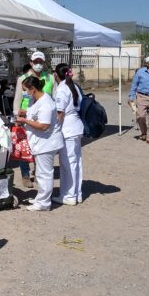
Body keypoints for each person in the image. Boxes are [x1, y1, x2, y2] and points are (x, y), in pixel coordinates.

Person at [16, 76, 64, 211]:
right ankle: (40, 198)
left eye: (25, 90)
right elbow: (35, 114)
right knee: (41, 174)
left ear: (33, 89)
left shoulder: (46, 103)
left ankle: (44, 203)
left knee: (44, 174)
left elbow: (44, 125)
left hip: (47, 143)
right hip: (39, 142)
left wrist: (25, 121)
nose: (24, 92)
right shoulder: (35, 99)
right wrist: (25, 113)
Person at [13, 52, 55, 188]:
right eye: (35, 61)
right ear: (31, 62)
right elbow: (18, 99)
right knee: (24, 146)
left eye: (41, 62)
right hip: (25, 116)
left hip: (42, 117)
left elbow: (54, 97)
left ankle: (38, 172)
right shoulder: (23, 79)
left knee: (41, 145)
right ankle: (25, 175)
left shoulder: (50, 78)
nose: (38, 64)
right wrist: (16, 116)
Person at [53, 63, 83, 205]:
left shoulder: (62, 89)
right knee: (76, 162)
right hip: (76, 126)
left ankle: (69, 195)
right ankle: (76, 193)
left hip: (67, 128)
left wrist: (56, 130)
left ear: (55, 74)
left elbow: (60, 113)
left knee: (67, 163)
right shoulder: (74, 86)